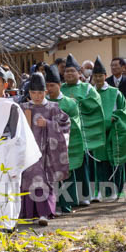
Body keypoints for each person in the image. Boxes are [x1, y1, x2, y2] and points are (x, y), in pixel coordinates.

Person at [0, 65, 41, 230]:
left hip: (5, 154)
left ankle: (5, 226)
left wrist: (14, 166)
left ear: (5, 84)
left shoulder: (12, 107)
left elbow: (19, 139)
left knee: (5, 193)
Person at [19, 73, 70, 226]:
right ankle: (29, 213)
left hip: (46, 153)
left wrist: (48, 123)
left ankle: (43, 213)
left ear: (45, 92)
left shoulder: (53, 108)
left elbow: (66, 124)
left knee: (42, 180)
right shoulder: (23, 108)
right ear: (29, 93)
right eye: (33, 93)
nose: (37, 96)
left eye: (40, 93)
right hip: (27, 153)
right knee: (27, 180)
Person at [60, 55, 106, 205]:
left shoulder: (87, 88)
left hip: (84, 131)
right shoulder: (60, 89)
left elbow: (96, 106)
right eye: (66, 72)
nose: (69, 74)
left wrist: (77, 105)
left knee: (84, 164)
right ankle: (70, 197)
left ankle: (86, 195)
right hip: (65, 134)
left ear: (79, 72)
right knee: (68, 165)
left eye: (72, 71)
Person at [90, 57, 126, 200]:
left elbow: (124, 111)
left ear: (105, 76)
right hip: (97, 132)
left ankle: (115, 190)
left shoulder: (115, 92)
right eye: (95, 76)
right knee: (98, 162)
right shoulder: (90, 93)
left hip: (114, 131)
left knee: (114, 160)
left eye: (100, 76)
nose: (98, 78)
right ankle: (98, 191)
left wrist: (116, 117)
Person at [45, 64, 83, 213]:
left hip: (65, 143)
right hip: (47, 144)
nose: (50, 89)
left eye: (53, 85)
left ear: (59, 85)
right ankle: (51, 205)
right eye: (47, 86)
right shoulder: (43, 102)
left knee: (65, 173)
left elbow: (73, 123)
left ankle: (66, 204)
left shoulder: (70, 103)